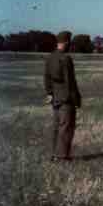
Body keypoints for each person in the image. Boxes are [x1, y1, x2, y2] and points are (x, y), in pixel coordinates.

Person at [44, 30, 81, 162]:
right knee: (66, 127)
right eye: (69, 42)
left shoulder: (50, 57)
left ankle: (54, 154)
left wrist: (49, 93)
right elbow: (70, 81)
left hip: (55, 97)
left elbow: (47, 78)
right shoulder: (66, 59)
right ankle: (62, 156)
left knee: (56, 126)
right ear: (66, 42)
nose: (70, 44)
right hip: (66, 98)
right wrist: (76, 98)